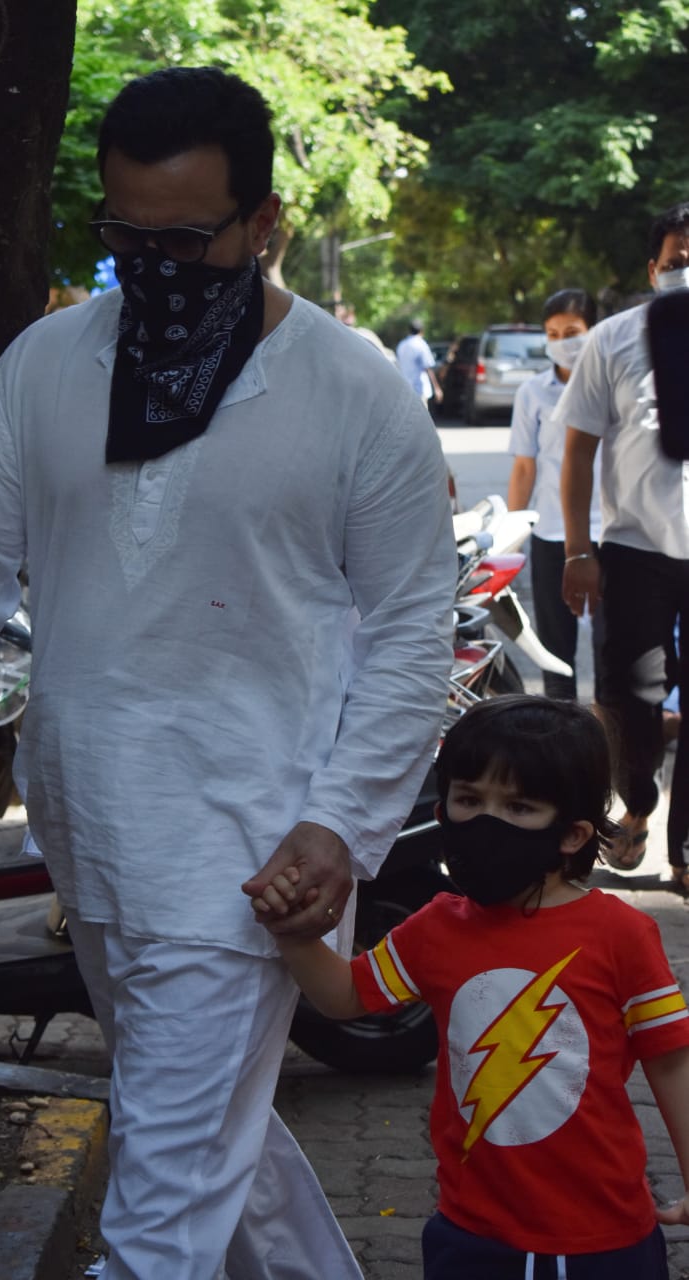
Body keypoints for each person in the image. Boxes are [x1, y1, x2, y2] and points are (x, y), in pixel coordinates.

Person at [0, 65, 457, 1279]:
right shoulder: (44, 364)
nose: (150, 266)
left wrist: (340, 827)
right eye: (122, 237)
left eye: (184, 240)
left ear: (264, 225)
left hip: (255, 857)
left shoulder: (354, 395)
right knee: (210, 1155)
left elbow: (409, 633)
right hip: (89, 832)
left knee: (160, 1217)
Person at [246, 694, 689, 1279]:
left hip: (606, 1243)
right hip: (472, 1238)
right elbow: (345, 998)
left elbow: (671, 1061)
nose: (486, 822)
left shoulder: (622, 935)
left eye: (519, 806)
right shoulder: (437, 927)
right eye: (468, 799)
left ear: (573, 834)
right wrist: (295, 934)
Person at [560, 201, 689, 883]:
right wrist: (577, 550)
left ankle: (683, 854)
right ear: (652, 268)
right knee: (632, 705)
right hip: (634, 554)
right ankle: (638, 801)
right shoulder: (611, 340)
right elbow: (577, 452)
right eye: (676, 263)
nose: (686, 274)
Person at [507, 288, 604, 701]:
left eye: (572, 331)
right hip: (552, 537)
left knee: (615, 654)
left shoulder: (613, 384)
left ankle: (616, 751)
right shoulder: (532, 393)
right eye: (553, 333)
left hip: (610, 537)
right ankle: (563, 754)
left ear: (594, 331)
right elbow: (525, 467)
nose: (563, 342)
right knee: (554, 654)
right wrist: (511, 533)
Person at [396, 318, 444, 406]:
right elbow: (428, 368)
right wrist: (437, 388)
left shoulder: (401, 345)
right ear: (422, 331)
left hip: (405, 389)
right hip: (419, 389)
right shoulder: (421, 345)